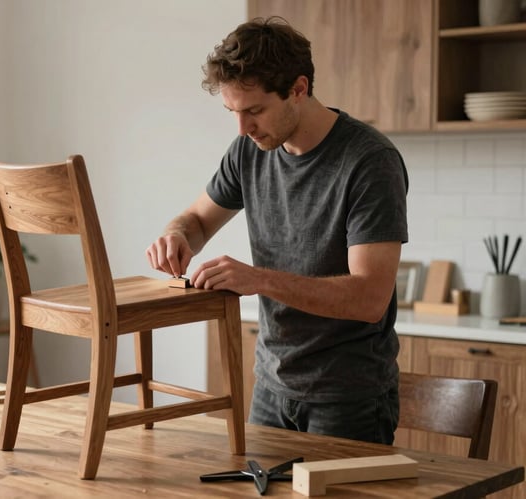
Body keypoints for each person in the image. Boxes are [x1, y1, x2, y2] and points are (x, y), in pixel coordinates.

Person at [145, 17, 408, 445]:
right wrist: (175, 235)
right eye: (233, 112)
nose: (243, 128)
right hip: (270, 387)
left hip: (347, 397)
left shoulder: (369, 161)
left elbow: (370, 298)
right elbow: (194, 220)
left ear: (299, 89)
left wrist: (259, 279)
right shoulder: (249, 151)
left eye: (254, 111)